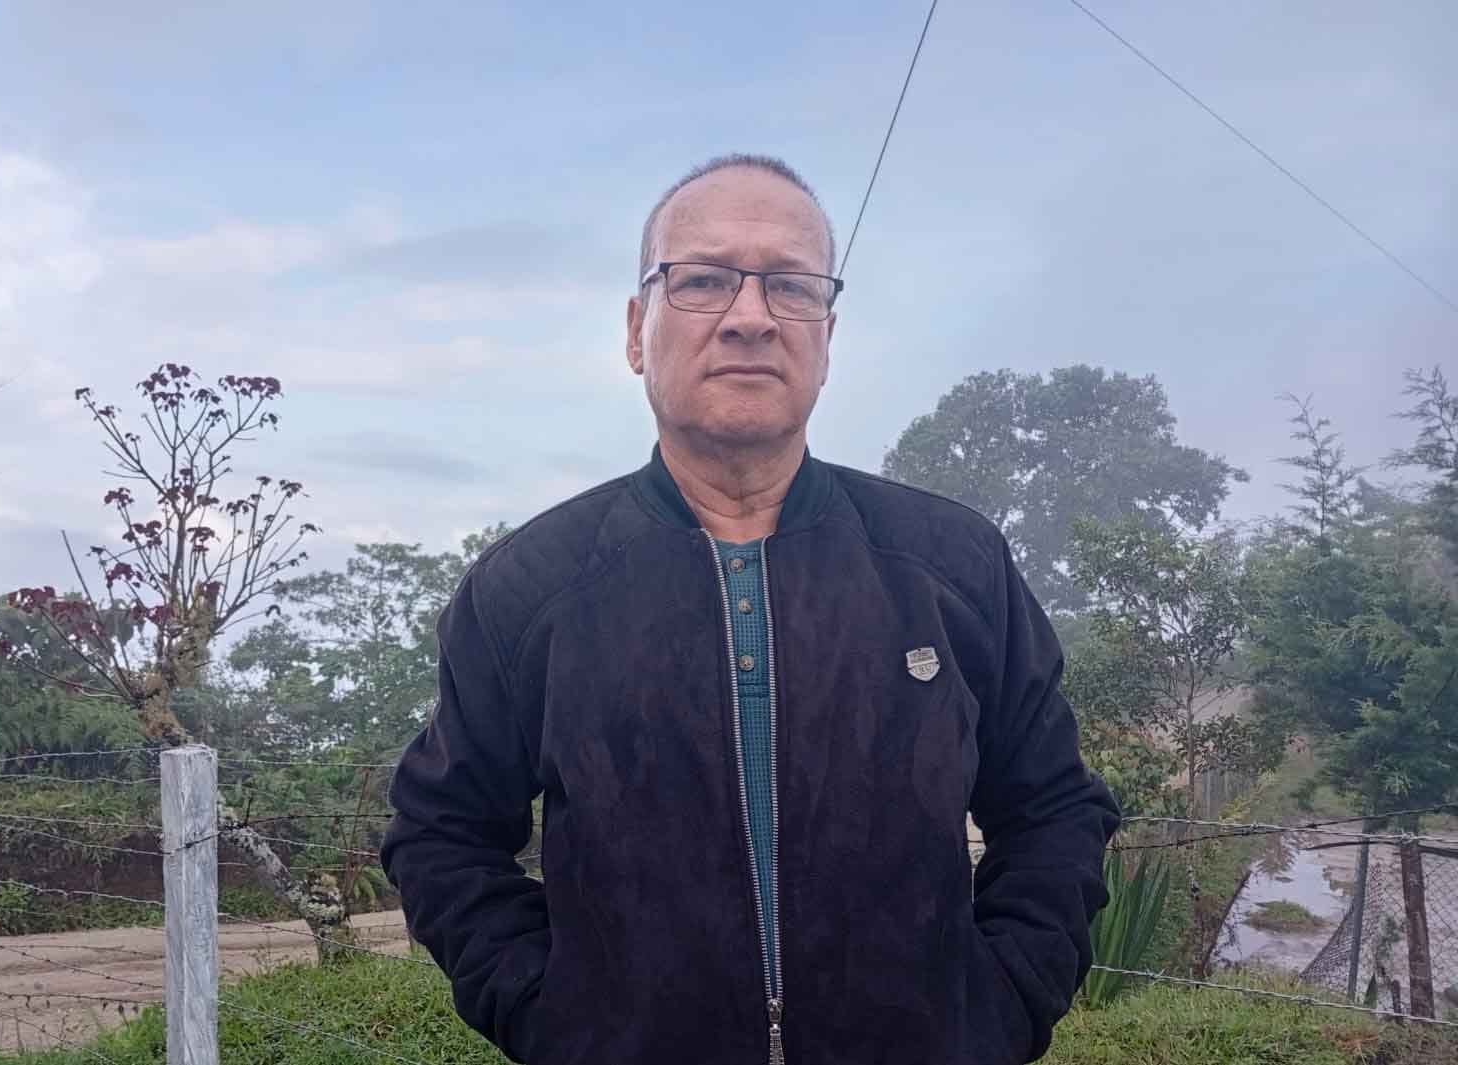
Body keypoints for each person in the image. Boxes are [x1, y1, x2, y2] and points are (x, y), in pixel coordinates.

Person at [382, 153, 1121, 1065]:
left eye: (790, 286)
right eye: (702, 280)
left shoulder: (952, 567)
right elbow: (440, 830)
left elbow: (1054, 807)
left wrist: (995, 1008)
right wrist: (556, 1017)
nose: (750, 316)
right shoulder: (532, 589)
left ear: (826, 336)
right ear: (636, 330)